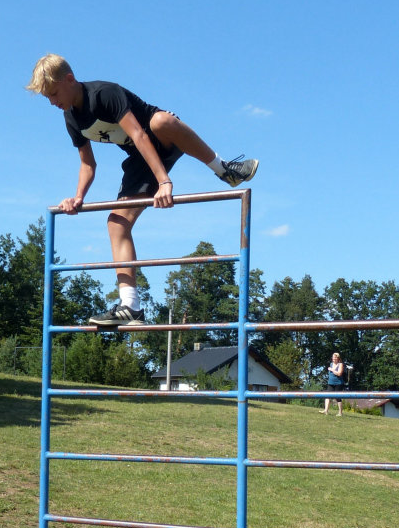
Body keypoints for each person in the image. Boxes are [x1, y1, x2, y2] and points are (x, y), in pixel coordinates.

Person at [26, 54, 259, 326]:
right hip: (140, 160)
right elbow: (87, 164)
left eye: (54, 94)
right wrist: (78, 197)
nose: (52, 102)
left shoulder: (103, 94)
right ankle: (130, 306)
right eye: (48, 98)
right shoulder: (71, 119)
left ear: (69, 79)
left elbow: (139, 134)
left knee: (161, 121)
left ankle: (225, 169)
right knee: (116, 223)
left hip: (160, 138)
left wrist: (164, 182)